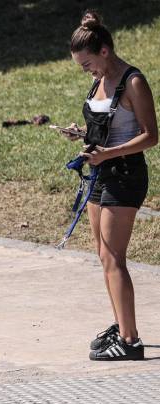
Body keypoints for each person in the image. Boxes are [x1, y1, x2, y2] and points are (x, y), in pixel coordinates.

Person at [63, 10, 157, 361]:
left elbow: (151, 136)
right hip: (100, 173)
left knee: (116, 256)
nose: (86, 71)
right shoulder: (100, 80)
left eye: (87, 64)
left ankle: (130, 342)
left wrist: (110, 153)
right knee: (104, 255)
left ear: (104, 51)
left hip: (126, 175)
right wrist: (82, 134)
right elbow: (107, 127)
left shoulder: (133, 81)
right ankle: (121, 324)